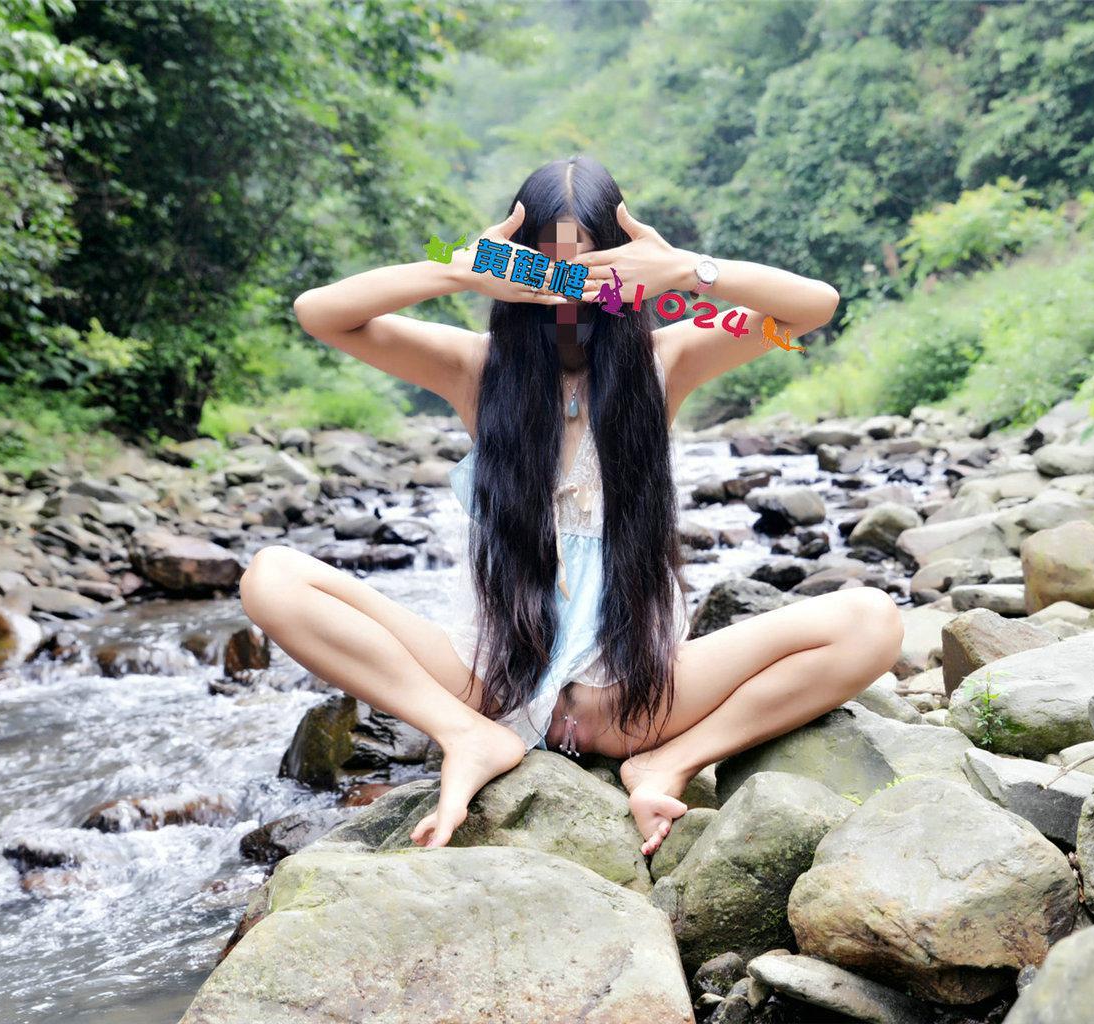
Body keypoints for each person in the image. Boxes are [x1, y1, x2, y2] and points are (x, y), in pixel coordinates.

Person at [240, 155, 904, 856]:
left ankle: (669, 763)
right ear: (514, 273)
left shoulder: (667, 359)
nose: (567, 297)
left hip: (635, 701)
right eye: (544, 273)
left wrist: (684, 271)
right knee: (272, 577)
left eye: (589, 275)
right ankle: (465, 737)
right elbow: (319, 314)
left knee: (871, 619)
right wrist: (458, 269)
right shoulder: (473, 366)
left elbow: (813, 307)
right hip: (488, 684)